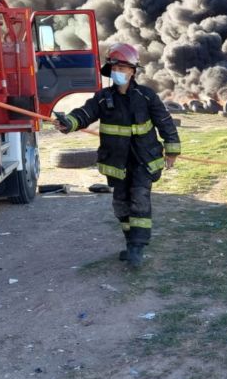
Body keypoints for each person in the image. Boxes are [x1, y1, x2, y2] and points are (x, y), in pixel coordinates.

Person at [54, 43, 181, 268]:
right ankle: (130, 241)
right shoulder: (103, 98)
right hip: (117, 161)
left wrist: (171, 151)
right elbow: (85, 114)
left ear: (133, 71)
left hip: (144, 160)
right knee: (120, 203)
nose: (118, 72)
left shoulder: (146, 96)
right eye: (115, 68)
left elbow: (165, 122)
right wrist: (68, 122)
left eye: (123, 68)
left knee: (139, 199)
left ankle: (137, 247)